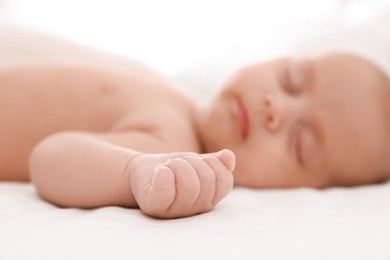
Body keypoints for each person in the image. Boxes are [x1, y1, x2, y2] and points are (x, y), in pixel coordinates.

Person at [0, 21, 389, 219]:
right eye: (291, 79)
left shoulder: (170, 142)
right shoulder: (180, 95)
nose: (277, 109)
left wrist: (132, 171)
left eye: (299, 143)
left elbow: (50, 157)